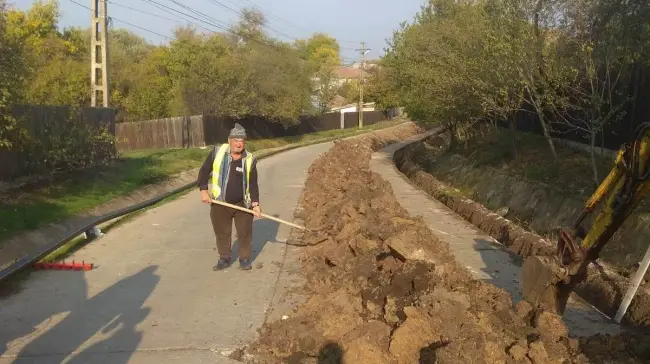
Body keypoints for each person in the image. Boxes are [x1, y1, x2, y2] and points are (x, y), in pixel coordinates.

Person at [197, 123, 261, 271]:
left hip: (242, 204)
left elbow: (253, 184)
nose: (239, 144)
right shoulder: (217, 152)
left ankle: (244, 259)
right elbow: (204, 171)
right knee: (222, 232)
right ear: (229, 140)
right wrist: (203, 190)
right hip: (220, 202)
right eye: (236, 140)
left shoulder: (250, 159)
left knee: (244, 233)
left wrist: (256, 204)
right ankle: (224, 258)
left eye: (241, 141)